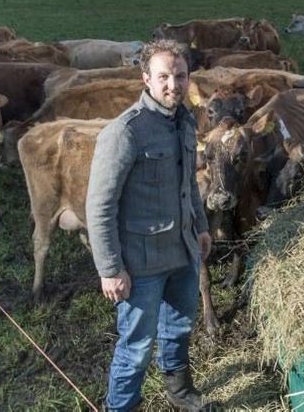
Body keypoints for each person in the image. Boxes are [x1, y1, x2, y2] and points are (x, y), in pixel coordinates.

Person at [86, 39, 212, 411]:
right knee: (136, 347)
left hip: (182, 252)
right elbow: (99, 205)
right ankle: (121, 406)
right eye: (163, 77)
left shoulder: (185, 124)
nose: (173, 84)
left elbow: (189, 183)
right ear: (146, 79)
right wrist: (110, 269)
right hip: (141, 264)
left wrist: (201, 227)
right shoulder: (126, 132)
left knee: (178, 330)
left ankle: (181, 392)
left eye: (180, 76)